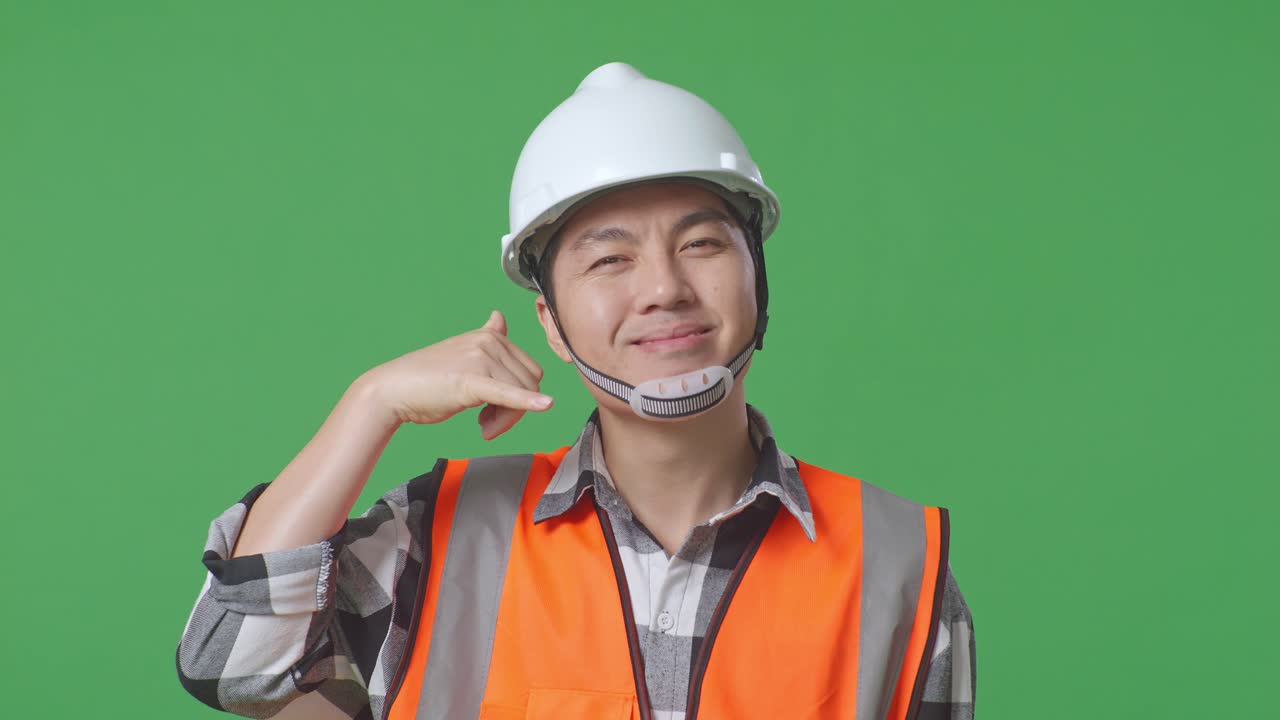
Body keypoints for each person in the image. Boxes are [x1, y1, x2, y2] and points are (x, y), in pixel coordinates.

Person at [176, 61, 976, 720]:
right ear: (552, 326)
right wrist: (371, 402)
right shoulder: (439, 534)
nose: (664, 288)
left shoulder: (898, 560)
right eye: (609, 259)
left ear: (759, 282)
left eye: (701, 243)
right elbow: (232, 663)